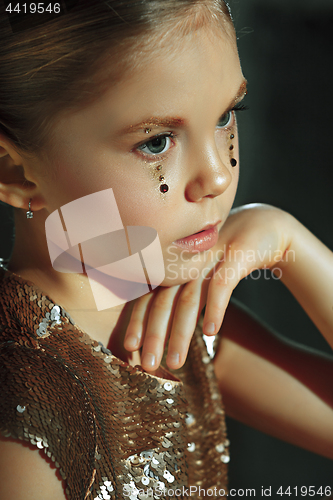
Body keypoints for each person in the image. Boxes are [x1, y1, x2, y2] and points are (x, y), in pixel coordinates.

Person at [0, 1, 332, 499]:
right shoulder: (24, 416)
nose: (218, 175)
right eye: (156, 142)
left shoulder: (180, 321)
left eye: (226, 116)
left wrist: (290, 243)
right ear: (15, 174)